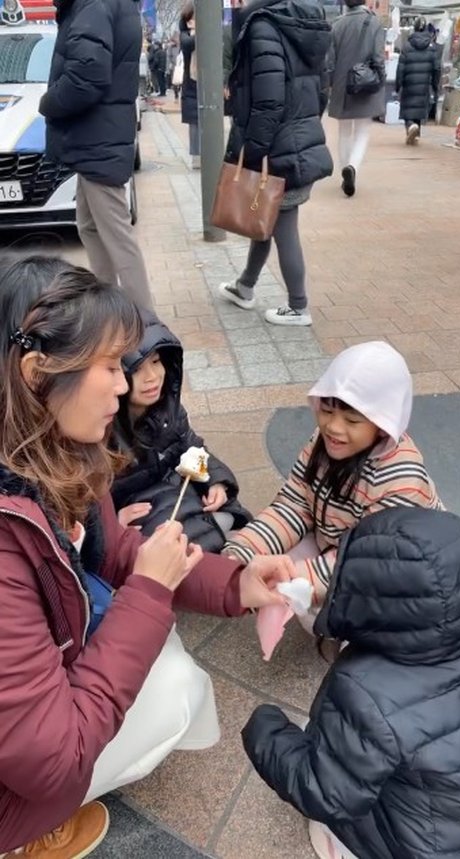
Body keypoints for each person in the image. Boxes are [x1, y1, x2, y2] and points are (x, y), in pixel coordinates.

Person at [0, 253, 294, 857]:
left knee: (161, 648)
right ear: (35, 373)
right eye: (108, 365)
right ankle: (23, 835)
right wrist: (151, 593)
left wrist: (235, 583)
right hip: (22, 776)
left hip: (33, 712)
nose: (123, 382)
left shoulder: (61, 454)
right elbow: (50, 762)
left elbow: (116, 554)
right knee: (177, 688)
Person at [242, 506, 460, 859]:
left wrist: (265, 727)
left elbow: (324, 792)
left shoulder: (366, 690)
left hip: (414, 849)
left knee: (318, 747)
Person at [224, 341, 442, 616]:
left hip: (397, 571)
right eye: (326, 411)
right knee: (267, 568)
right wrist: (240, 553)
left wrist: (291, 581)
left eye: (352, 420)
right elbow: (294, 505)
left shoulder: (401, 480)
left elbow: (367, 561)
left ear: (384, 424)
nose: (333, 427)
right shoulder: (323, 443)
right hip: (336, 540)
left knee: (329, 609)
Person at [217, 0, 333, 328]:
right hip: (296, 139)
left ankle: (298, 306)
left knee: (283, 227)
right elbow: (322, 88)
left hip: (276, 147)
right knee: (265, 217)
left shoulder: (262, 25)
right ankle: (245, 286)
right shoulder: (307, 22)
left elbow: (268, 100)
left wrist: (253, 150)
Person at [39, 0, 153, 311]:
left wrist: (47, 102)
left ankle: (146, 326)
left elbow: (86, 77)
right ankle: (108, 309)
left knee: (116, 235)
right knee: (90, 226)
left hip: (96, 138)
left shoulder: (95, 4)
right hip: (98, 136)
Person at [112, 312, 251, 552]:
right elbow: (85, 502)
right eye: (137, 369)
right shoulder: (101, 429)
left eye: (156, 362)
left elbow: (192, 449)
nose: (152, 377)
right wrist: (109, 524)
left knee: (236, 523)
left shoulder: (169, 410)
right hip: (143, 518)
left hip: (180, 494)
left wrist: (215, 481)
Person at [328, 0, 385, 197]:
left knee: (344, 131)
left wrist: (330, 83)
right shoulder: (374, 23)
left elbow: (330, 61)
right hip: (365, 82)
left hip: (342, 86)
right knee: (363, 130)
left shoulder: (337, 24)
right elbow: (378, 57)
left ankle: (345, 171)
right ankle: (352, 168)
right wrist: (380, 78)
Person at [396, 17, 441, 145]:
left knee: (408, 109)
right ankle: (416, 134)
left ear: (414, 28)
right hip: (424, 84)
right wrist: (435, 85)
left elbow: (400, 68)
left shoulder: (407, 46)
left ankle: (410, 126)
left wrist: (398, 85)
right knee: (419, 108)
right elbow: (437, 68)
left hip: (409, 84)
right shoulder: (432, 47)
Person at [179, 1, 200, 169]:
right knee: (194, 123)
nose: (191, 22)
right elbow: (187, 44)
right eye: (189, 20)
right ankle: (196, 156)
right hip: (191, 84)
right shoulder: (185, 36)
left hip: (206, 85)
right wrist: (196, 31)